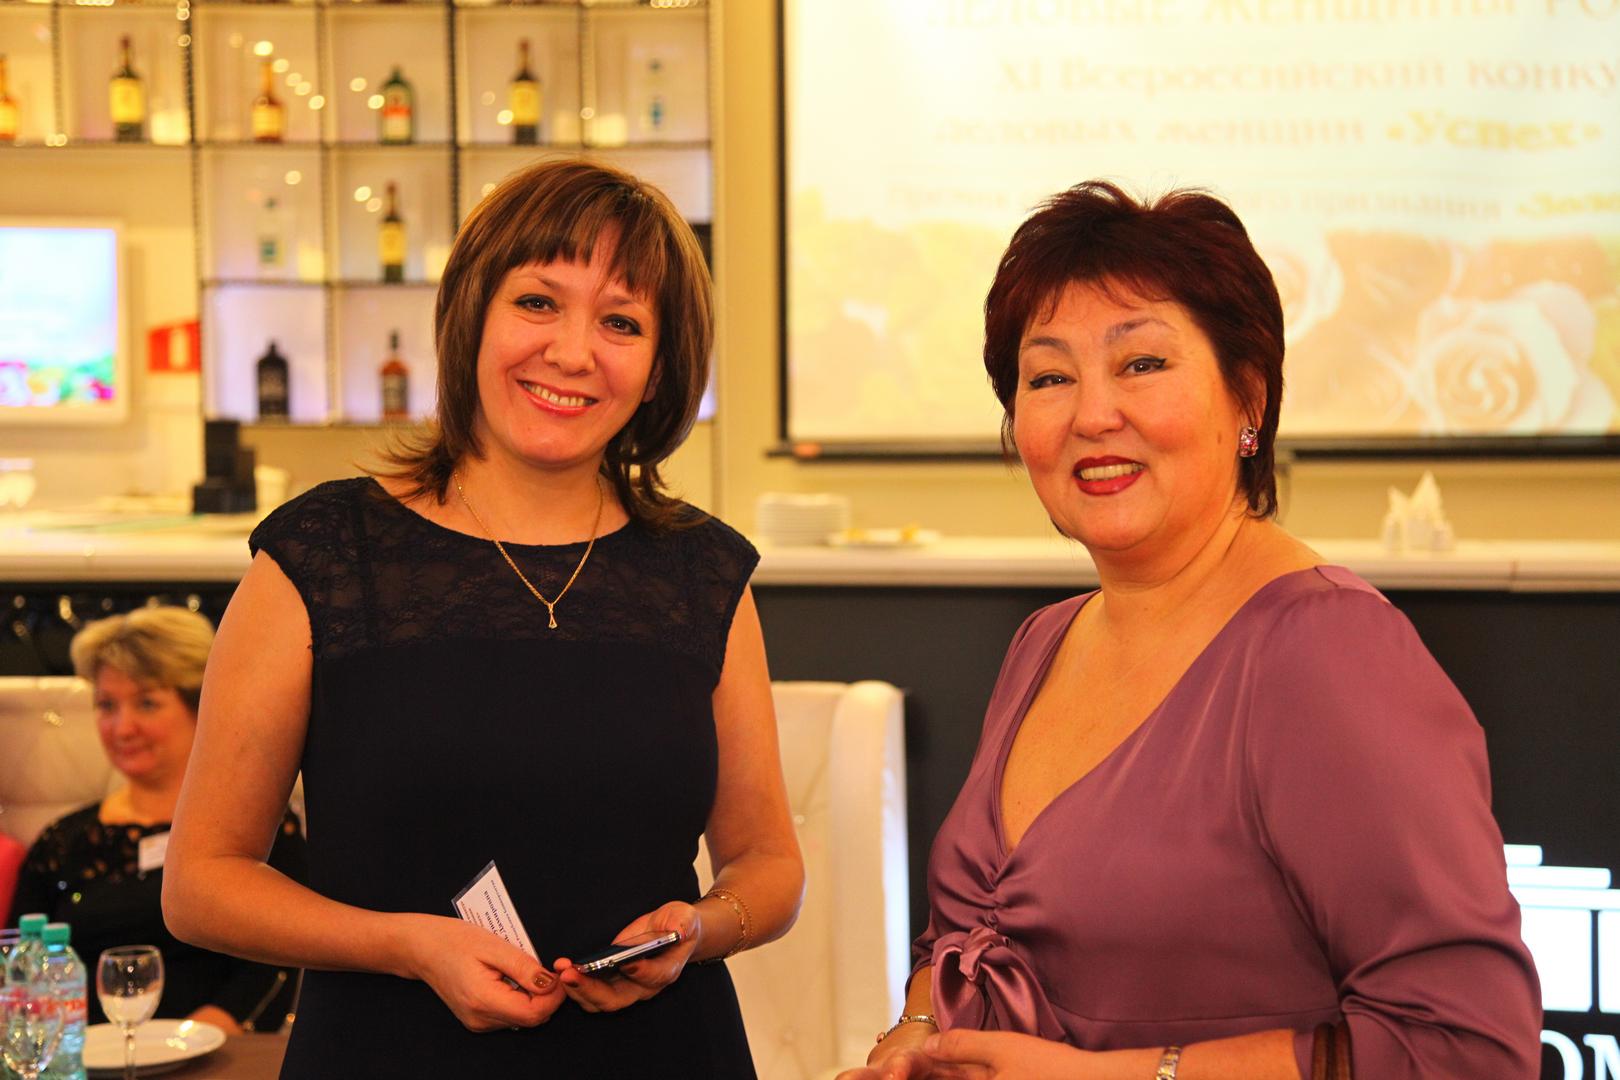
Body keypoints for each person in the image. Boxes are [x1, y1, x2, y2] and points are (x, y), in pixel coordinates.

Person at [843, 183, 1541, 1080]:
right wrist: (917, 1031)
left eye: (1141, 364)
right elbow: (972, 937)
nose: (1092, 415)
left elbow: (1469, 1048)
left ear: (1248, 399)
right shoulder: (1045, 640)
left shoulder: (1326, 652)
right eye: (1049, 377)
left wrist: (1111, 1078)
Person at [162, 159, 804, 1078]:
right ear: (472, 314)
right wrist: (408, 945)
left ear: (660, 368)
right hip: (385, 1056)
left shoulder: (704, 572)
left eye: (621, 322)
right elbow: (200, 886)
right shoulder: (325, 553)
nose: (573, 353)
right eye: (538, 303)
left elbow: (768, 864)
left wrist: (701, 929)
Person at [8, 607, 305, 1032]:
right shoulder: (63, 840)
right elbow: (21, 972)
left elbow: (278, 961)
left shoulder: (259, 825)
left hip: (216, 1054)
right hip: (81, 1054)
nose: (122, 727)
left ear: (199, 705)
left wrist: (194, 1040)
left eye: (146, 703)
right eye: (106, 705)